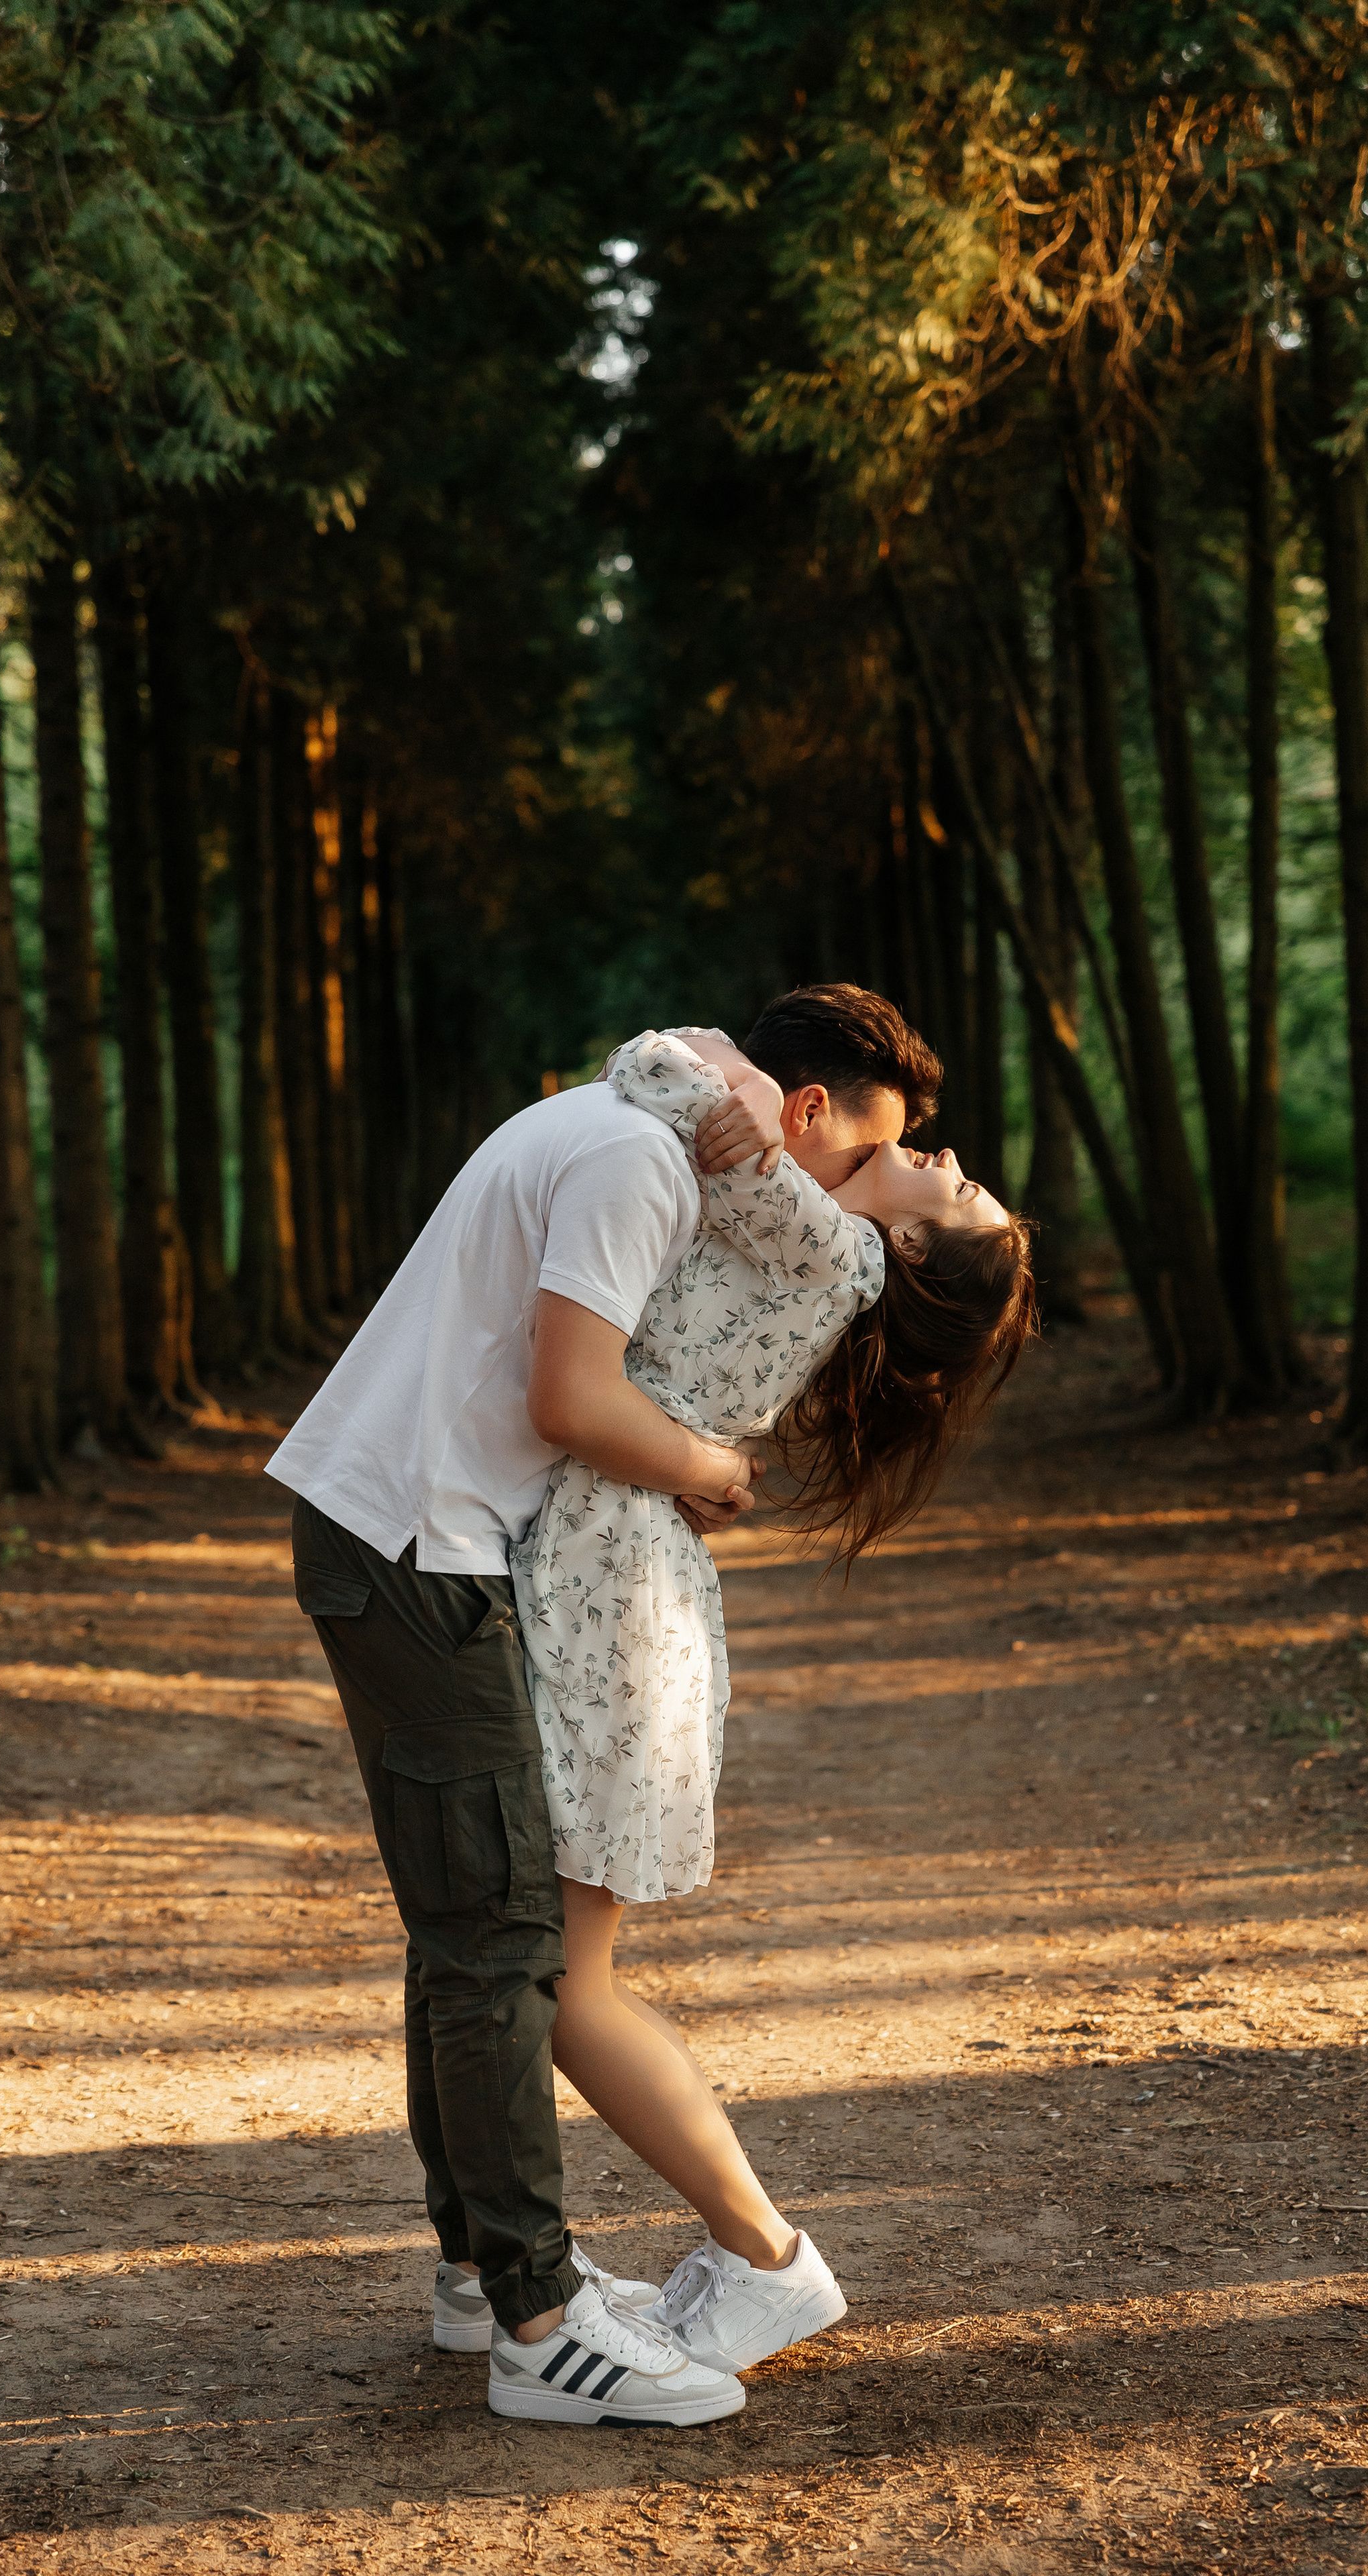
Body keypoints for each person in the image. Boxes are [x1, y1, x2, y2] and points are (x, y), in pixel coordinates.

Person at [266, 985, 939, 2428]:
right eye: (843, 1160)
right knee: (504, 1936)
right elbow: (576, 1398)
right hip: (415, 1539)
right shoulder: (637, 1161)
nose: (814, 1199)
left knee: (469, 1925)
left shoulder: (619, 1123)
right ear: (805, 1110)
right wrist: (710, 1467)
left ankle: (475, 2275)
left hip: (410, 1527)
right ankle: (538, 2324)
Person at [507, 1027, 1034, 2393]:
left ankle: (762, 2255)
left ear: (915, 1256)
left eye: (957, 1191)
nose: (947, 1159)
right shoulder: (818, 1246)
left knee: (560, 1982)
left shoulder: (836, 1249)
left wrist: (731, 1094)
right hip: (617, 1571)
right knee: (539, 1963)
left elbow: (652, 1066)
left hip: (611, 1586)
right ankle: (505, 2261)